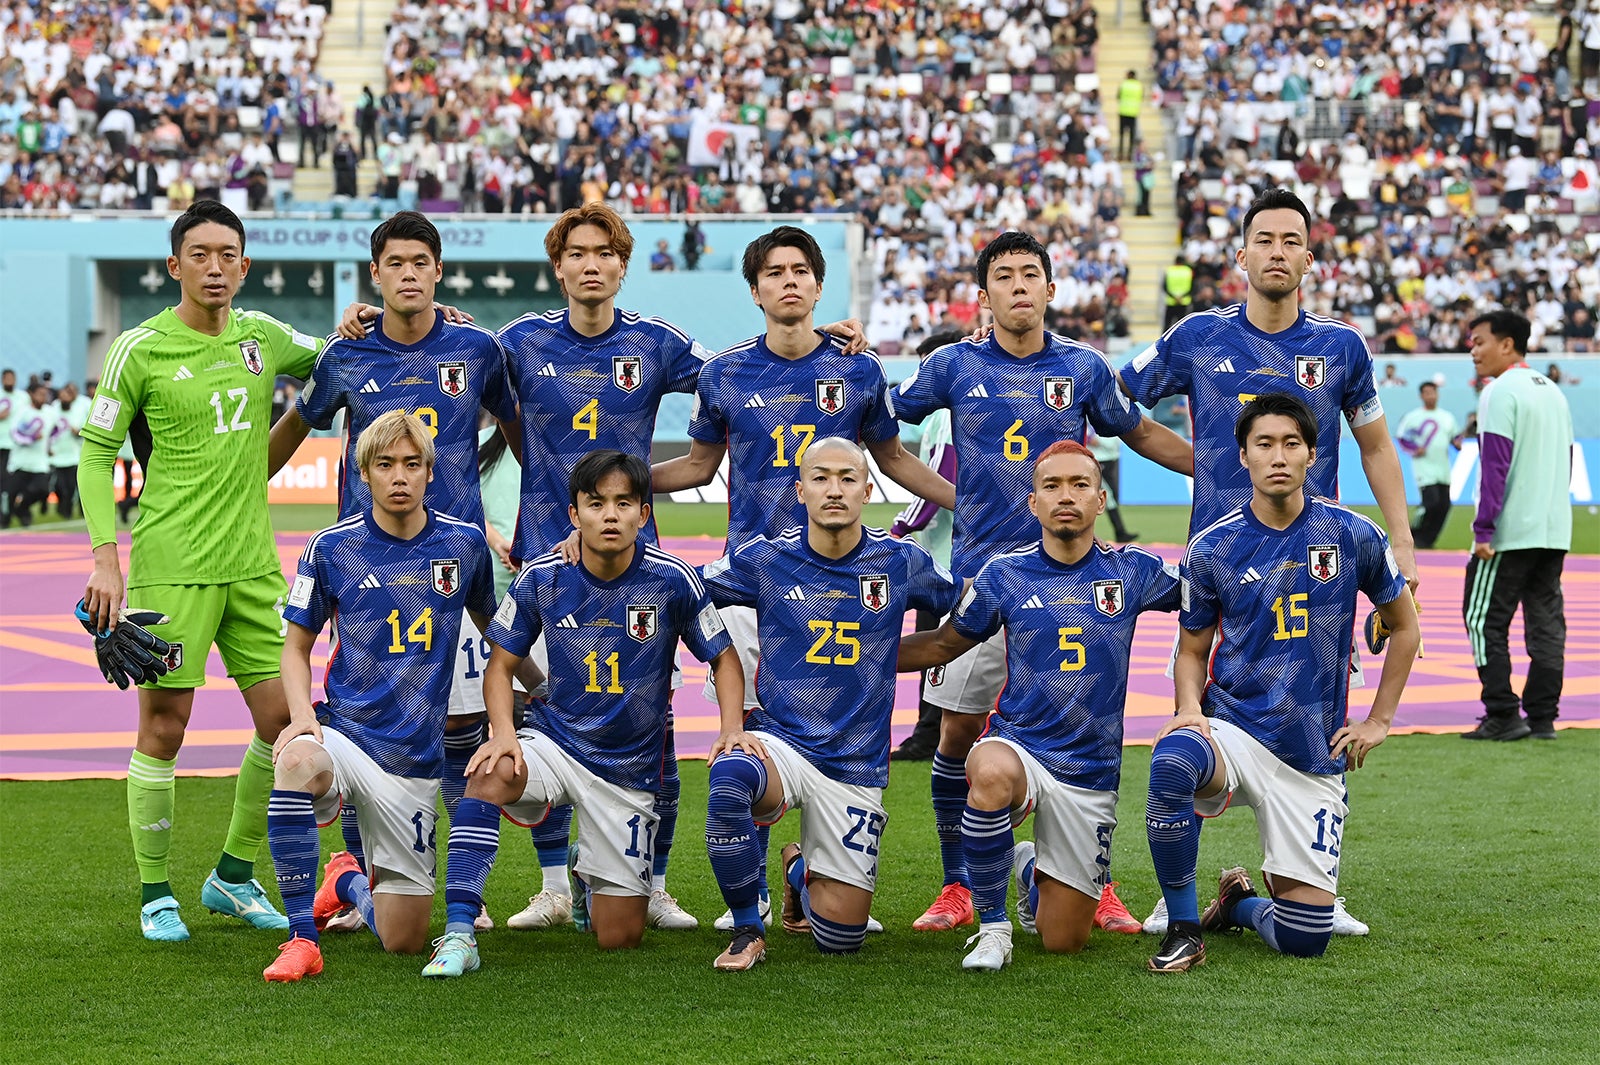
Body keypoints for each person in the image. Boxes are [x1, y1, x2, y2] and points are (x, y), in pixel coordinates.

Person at [1121, 188, 1419, 936]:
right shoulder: (1195, 336)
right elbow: (1118, 399)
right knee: (1194, 722)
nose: (1278, 251)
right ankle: (1177, 888)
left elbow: (1377, 445)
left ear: (1309, 259)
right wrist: (1204, 463)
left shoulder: (1342, 347)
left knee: (1320, 708)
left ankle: (1315, 881)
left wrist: (1402, 539)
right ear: (1242, 255)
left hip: (1316, 560)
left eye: (1293, 240)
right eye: (1265, 239)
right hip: (1223, 563)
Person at [889, 229, 1192, 933]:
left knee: (1085, 733)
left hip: (1077, 589)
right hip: (978, 584)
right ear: (985, 293)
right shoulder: (950, 364)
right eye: (1005, 275)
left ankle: (1096, 879)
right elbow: (879, 419)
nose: (1019, 285)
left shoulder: (1083, 367)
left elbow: (1140, 432)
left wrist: (1216, 471)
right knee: (958, 738)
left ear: (1052, 290)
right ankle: (958, 884)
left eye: (1031, 274)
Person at [656, 225, 956, 930]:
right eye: (774, 272)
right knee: (754, 730)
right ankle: (753, 892)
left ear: (818, 287)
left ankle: (813, 867)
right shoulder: (724, 373)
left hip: (838, 577)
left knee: (832, 715)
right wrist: (619, 485)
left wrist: (974, 501)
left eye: (801, 271)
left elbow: (894, 459)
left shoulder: (857, 368)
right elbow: (699, 468)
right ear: (756, 289)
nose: (788, 281)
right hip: (750, 582)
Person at [78, 201, 323, 941]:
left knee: (283, 724)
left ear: (244, 267)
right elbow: (96, 453)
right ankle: (156, 892)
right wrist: (104, 560)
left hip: (254, 566)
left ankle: (233, 877)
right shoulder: (140, 347)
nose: (215, 267)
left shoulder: (263, 336)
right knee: (165, 724)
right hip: (170, 563)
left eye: (228, 255)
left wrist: (380, 322)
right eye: (200, 253)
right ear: (174, 264)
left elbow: (339, 360)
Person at [268, 210, 518, 931]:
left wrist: (540, 515)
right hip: (371, 569)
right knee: (369, 726)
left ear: (438, 272)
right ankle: (359, 873)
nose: (408, 273)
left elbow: (516, 427)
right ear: (375, 275)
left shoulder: (477, 347)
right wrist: (250, 475)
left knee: (470, 727)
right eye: (395, 263)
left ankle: (495, 887)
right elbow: (303, 419)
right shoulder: (346, 353)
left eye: (421, 262)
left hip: (457, 566)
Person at [420, 450, 742, 977]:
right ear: (574, 514)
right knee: (488, 770)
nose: (609, 515)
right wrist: (503, 733)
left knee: (619, 937)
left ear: (643, 512)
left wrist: (731, 729)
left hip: (627, 772)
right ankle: (458, 932)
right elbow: (500, 668)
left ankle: (590, 876)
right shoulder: (541, 578)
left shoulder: (673, 579)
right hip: (556, 743)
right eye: (596, 504)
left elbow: (724, 660)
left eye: (623, 503)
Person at [1144, 393, 1418, 973]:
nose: (1277, 456)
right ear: (1242, 456)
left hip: (1310, 753)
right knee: (1172, 759)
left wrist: (1379, 719)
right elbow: (1192, 651)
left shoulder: (1353, 535)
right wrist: (1188, 707)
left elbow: (1405, 628)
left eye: (1291, 443)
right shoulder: (1211, 545)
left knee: (1304, 938)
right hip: (1234, 731)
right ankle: (1184, 926)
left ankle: (1238, 905)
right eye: (1263, 444)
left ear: (1312, 455)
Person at [898, 440, 1180, 970]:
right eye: (1051, 486)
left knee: (1063, 940)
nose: (1065, 496)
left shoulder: (1135, 571)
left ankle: (1029, 869)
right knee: (988, 769)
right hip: (1021, 749)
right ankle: (993, 926)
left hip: (1091, 773)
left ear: (1100, 500)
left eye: (1079, 485)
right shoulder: (1005, 574)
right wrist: (862, 654)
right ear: (1033, 504)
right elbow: (941, 645)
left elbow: (1209, 596)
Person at [700, 437, 963, 970]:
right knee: (729, 777)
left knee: (839, 940)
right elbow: (682, 593)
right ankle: (748, 929)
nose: (834, 489)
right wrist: (584, 547)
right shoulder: (765, 558)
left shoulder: (901, 561)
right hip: (782, 744)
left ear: (868, 490)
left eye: (847, 478)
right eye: (820, 477)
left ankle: (799, 872)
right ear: (799, 490)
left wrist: (884, 652)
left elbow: (963, 617)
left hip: (856, 763)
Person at [261, 410, 497, 981]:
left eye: (412, 465)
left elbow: (500, 634)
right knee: (296, 762)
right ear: (363, 473)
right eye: (385, 464)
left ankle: (344, 878)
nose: (399, 476)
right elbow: (295, 648)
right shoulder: (331, 547)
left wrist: (540, 692)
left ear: (429, 473)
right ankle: (301, 939)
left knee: (403, 940)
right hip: (344, 734)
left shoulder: (463, 545)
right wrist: (300, 719)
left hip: (414, 762)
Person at [1461, 310, 1573, 741]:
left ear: (1506, 345)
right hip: (1553, 529)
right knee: (1546, 623)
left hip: (1509, 533)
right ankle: (1543, 717)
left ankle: (1503, 713)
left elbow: (1495, 466)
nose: (1473, 351)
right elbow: (1564, 462)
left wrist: (1484, 530)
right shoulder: (1554, 392)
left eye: (1479, 342)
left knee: (1483, 618)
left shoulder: (1499, 392)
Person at [888, 332, 963, 762]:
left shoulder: (946, 416)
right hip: (955, 550)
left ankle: (928, 734)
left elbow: (939, 477)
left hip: (945, 558)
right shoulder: (957, 412)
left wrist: (900, 527)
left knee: (936, 644)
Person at [1394, 382, 1459, 550]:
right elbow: (1401, 438)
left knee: (1444, 505)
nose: (1430, 396)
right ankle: (1414, 533)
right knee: (1431, 503)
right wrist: (1415, 449)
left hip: (1443, 468)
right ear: (1421, 396)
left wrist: (1458, 442)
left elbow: (1456, 438)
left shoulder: (1447, 417)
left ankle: (1428, 540)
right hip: (1424, 468)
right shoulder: (1413, 417)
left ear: (1437, 394)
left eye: (1433, 392)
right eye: (1427, 393)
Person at [5, 379, 53, 526]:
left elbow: (57, 429)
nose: (42, 398)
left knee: (43, 490)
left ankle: (23, 508)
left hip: (39, 461)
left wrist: (51, 445)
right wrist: (31, 438)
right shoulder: (22, 412)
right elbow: (14, 433)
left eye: (45, 394)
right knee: (10, 493)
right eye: (39, 394)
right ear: (31, 394)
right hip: (20, 461)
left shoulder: (50, 412)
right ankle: (7, 520)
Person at [48, 380, 90, 519]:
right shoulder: (54, 408)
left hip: (74, 453)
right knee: (59, 486)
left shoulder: (82, 406)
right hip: (57, 453)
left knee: (72, 486)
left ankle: (70, 511)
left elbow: (87, 425)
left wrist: (78, 431)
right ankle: (62, 508)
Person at [1087, 429, 1139, 542]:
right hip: (1098, 458)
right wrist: (1093, 439)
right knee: (1108, 497)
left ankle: (1120, 532)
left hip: (1111, 457)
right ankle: (1120, 531)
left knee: (1112, 496)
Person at [0, 367, 16, 523]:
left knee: (8, 482)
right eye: (7, 378)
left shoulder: (22, 397)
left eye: (12, 378)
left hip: (14, 446)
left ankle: (7, 513)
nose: (10, 381)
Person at [1117, 70, 1144, 161]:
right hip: (1133, 112)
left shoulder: (1123, 84)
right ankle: (1129, 155)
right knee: (1131, 136)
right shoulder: (1139, 86)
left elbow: (1118, 96)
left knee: (1121, 135)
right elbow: (1141, 97)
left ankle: (1120, 154)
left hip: (1123, 111)